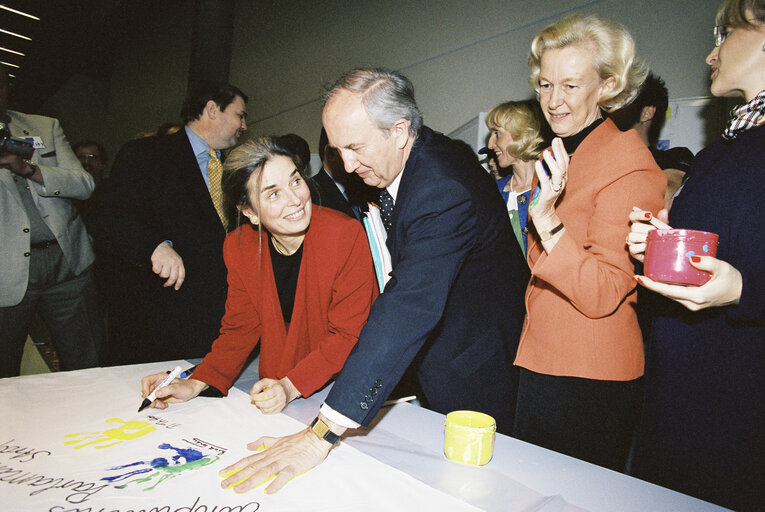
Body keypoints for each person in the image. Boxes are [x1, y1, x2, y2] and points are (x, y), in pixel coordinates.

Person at [215, 68, 529, 494]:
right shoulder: (420, 153)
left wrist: (320, 434)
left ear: (399, 131)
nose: (345, 164)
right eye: (336, 148)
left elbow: (407, 307)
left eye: (354, 147)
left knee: (473, 489)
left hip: (474, 360)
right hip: (439, 354)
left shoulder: (441, 187)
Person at [512, 14, 666, 472]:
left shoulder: (630, 164)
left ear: (608, 86)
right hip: (543, 359)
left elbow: (601, 290)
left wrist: (546, 220)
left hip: (589, 377)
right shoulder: (560, 151)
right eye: (544, 84)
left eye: (571, 86)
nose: (552, 101)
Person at [627, 1, 765, 509]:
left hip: (740, 398)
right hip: (681, 389)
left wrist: (743, 291)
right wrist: (657, 238)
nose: (710, 54)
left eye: (725, 34)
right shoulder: (720, 150)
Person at [140, 137, 378, 415]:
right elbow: (240, 327)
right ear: (249, 211)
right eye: (273, 194)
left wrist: (290, 386)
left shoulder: (344, 235)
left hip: (344, 384)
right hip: (283, 386)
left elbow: (349, 334)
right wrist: (197, 382)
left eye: (296, 181)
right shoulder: (239, 246)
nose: (295, 200)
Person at [87, 81, 248, 365]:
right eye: (240, 115)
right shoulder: (148, 154)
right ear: (212, 109)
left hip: (218, 317)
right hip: (162, 320)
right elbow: (108, 215)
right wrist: (154, 246)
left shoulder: (236, 168)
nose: (244, 126)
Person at [0, 63, 102, 377]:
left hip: (68, 264)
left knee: (86, 364)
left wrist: (29, 169)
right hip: (7, 273)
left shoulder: (44, 127)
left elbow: (84, 185)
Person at [610, 72, 694, 210]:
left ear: (647, 112)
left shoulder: (674, 157)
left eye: (621, 101)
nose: (610, 108)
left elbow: (667, 194)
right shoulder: (593, 158)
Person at [485, 100, 550, 253]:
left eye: (497, 133)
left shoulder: (553, 187)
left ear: (521, 134)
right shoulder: (492, 193)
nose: (490, 144)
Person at [310, 127, 378, 221]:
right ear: (330, 153)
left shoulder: (364, 184)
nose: (354, 159)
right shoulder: (312, 193)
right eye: (347, 150)